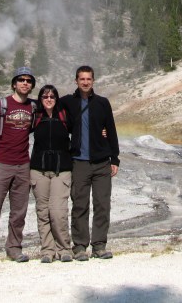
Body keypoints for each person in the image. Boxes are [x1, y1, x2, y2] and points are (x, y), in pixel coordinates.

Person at [0, 66, 37, 269]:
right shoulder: (1, 105)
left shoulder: (33, 108)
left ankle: (14, 248)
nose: (25, 83)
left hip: (23, 165)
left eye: (28, 80)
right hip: (1, 164)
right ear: (14, 83)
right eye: (21, 80)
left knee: (19, 211)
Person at [61, 65, 120, 261]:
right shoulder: (68, 102)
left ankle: (99, 245)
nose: (85, 82)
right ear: (76, 81)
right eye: (82, 79)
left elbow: (110, 130)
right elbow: (47, 105)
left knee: (102, 204)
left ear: (93, 81)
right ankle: (79, 246)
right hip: (79, 162)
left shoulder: (102, 103)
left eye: (88, 79)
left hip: (102, 162)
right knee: (80, 204)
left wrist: (115, 158)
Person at [29, 84, 74, 263]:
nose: (49, 99)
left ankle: (64, 248)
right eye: (45, 96)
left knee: (58, 211)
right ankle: (47, 250)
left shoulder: (65, 116)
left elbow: (81, 131)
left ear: (57, 99)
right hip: (38, 170)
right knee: (43, 211)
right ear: (40, 99)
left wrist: (103, 132)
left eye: (52, 96)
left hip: (61, 170)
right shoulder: (35, 117)